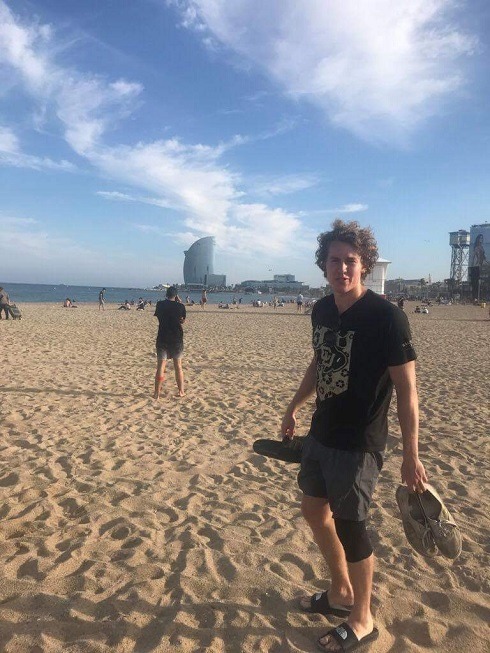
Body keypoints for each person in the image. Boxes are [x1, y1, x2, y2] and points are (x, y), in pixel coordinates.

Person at [280, 219, 427, 652]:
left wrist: (411, 454)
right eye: (334, 261)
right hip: (321, 432)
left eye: (350, 262)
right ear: (323, 265)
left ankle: (363, 618)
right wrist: (293, 406)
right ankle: (341, 592)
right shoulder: (322, 309)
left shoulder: (387, 318)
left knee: (352, 526)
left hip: (360, 441)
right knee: (312, 509)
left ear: (363, 266)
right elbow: (320, 363)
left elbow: (407, 390)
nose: (342, 269)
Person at [153, 286, 186, 398]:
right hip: (176, 339)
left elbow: (159, 317)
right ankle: (181, 391)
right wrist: (179, 303)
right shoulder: (181, 306)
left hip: (163, 338)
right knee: (178, 366)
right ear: (176, 296)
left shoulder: (160, 305)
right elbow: (182, 321)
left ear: (166, 294)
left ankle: (157, 393)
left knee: (161, 366)